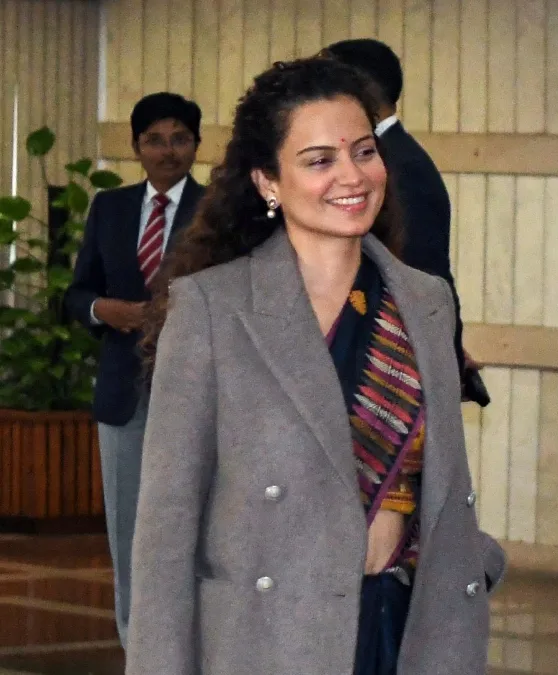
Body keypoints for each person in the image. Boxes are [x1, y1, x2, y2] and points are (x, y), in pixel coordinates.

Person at [124, 57, 506, 675]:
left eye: (363, 152)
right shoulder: (213, 310)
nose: (351, 176)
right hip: (269, 640)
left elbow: (440, 483)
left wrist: (470, 561)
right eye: (319, 160)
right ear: (268, 182)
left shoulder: (423, 303)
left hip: (402, 630)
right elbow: (166, 528)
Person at [63, 91, 204, 646]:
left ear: (196, 145)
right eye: (154, 140)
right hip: (125, 391)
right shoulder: (111, 208)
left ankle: (190, 643)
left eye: (179, 139)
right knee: (127, 526)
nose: (168, 151)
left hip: (198, 390)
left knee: (194, 523)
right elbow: (77, 294)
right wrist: (105, 310)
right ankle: (136, 643)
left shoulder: (218, 211)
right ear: (136, 147)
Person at [320, 38, 489, 406]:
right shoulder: (382, 157)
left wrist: (438, 355)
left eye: (328, 87)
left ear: (358, 90)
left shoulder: (400, 166)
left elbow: (422, 274)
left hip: (389, 364)